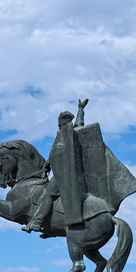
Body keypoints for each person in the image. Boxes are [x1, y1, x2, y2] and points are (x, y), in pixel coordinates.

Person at [23, 99, 89, 233]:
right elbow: (56, 154)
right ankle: (51, 229)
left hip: (64, 174)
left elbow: (79, 124)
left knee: (47, 195)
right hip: (62, 172)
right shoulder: (63, 134)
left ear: (64, 123)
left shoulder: (69, 133)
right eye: (60, 123)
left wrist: (80, 110)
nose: (60, 126)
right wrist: (47, 164)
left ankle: (36, 222)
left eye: (61, 123)